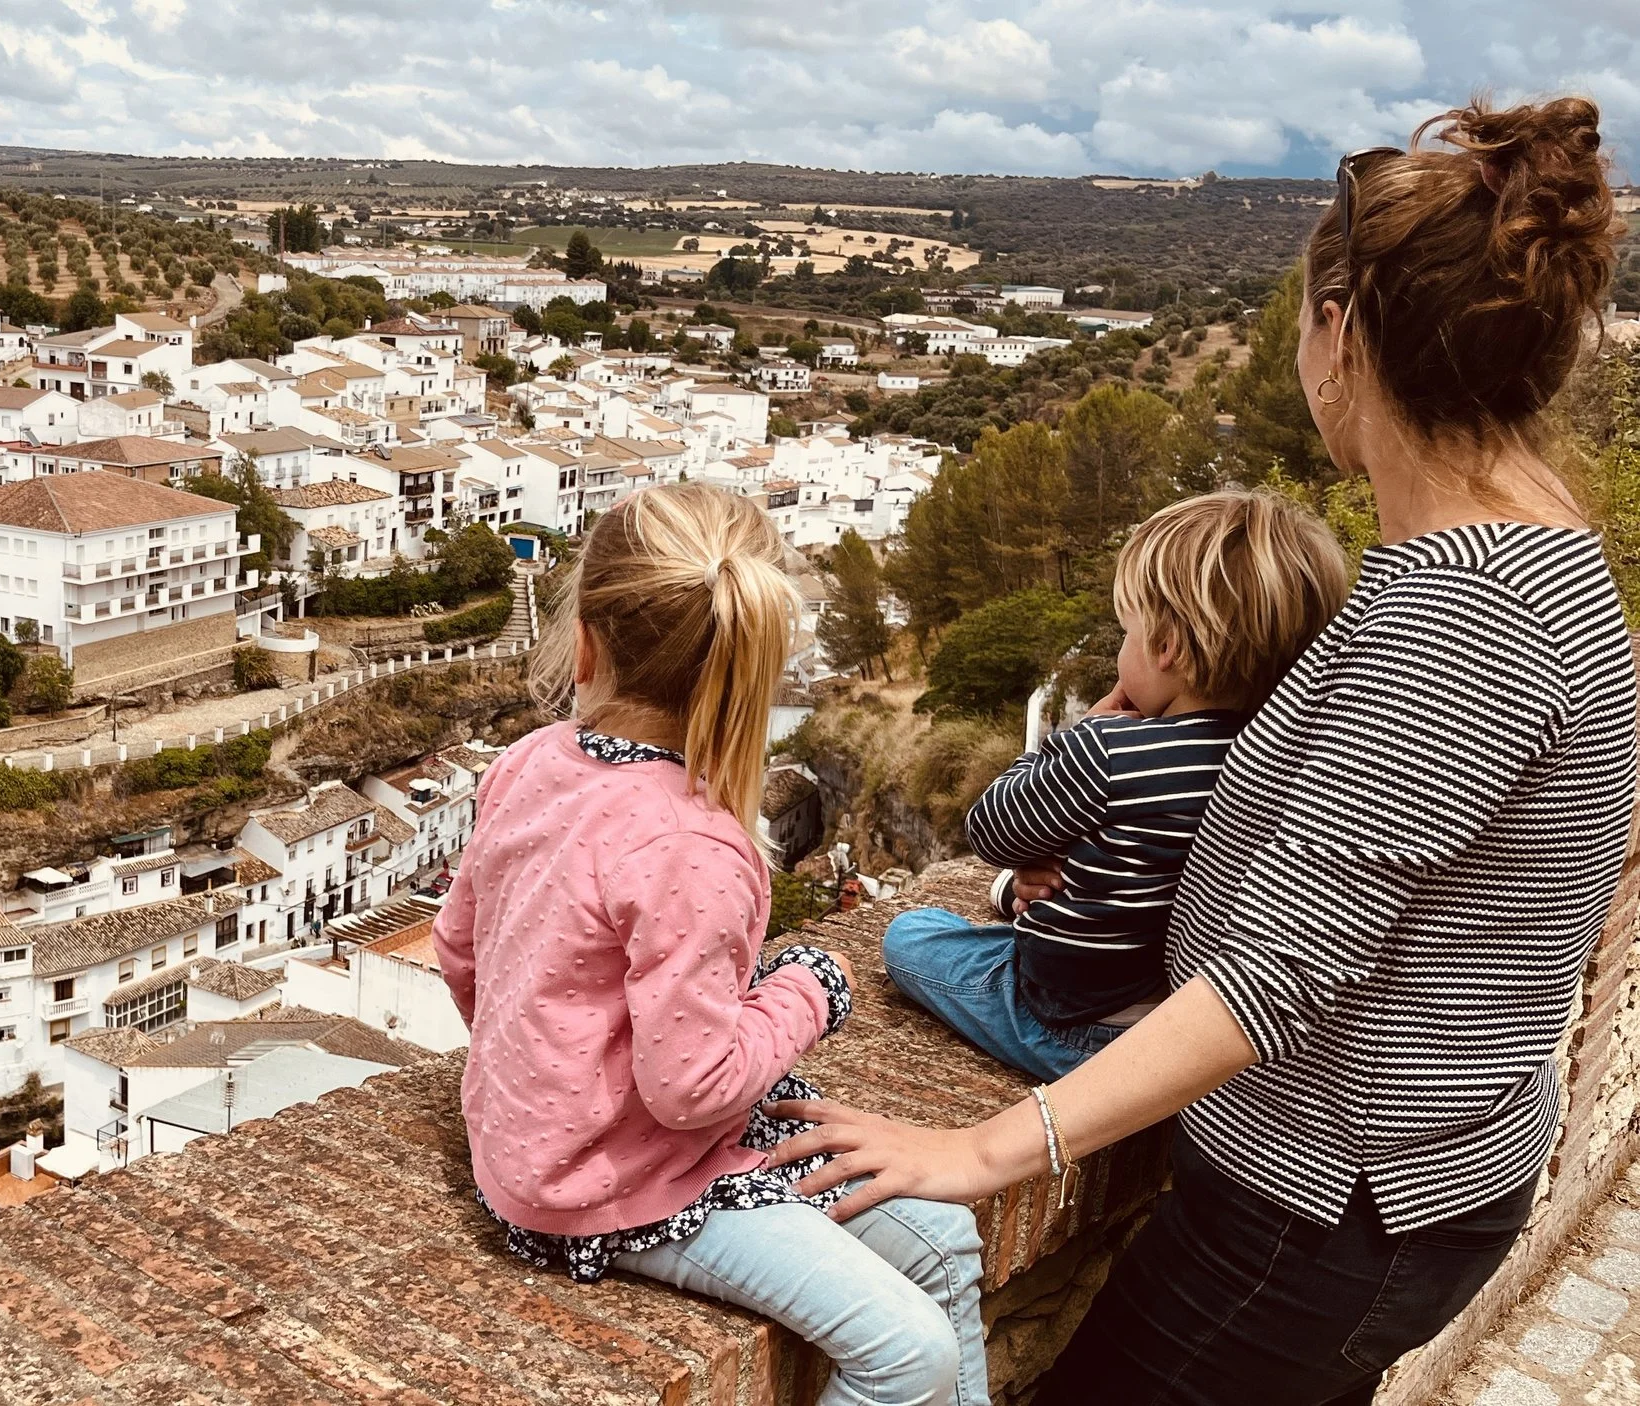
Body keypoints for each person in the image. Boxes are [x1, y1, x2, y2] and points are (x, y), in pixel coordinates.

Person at [768, 95, 1637, 1406]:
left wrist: (988, 1151)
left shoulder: (1466, 621)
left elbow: (1281, 975)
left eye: (1302, 321)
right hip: (1403, 1178)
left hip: (1327, 1206)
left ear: (1339, 332)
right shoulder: (1543, 555)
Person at [432, 482, 989, 1406]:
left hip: (542, 1148)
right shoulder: (694, 843)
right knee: (909, 1355)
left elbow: (463, 954)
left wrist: (540, 1076)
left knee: (945, 1241)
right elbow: (691, 1088)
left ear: (585, 643)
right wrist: (810, 990)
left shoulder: (528, 762)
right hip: (620, 1187)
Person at [882, 491, 1348, 1081]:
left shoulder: (1109, 750)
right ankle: (1016, 899)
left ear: (1166, 649)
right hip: (1185, 1026)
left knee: (911, 932)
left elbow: (992, 829)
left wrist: (1081, 732)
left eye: (1126, 631)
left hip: (1072, 1025)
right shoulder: (1292, 755)